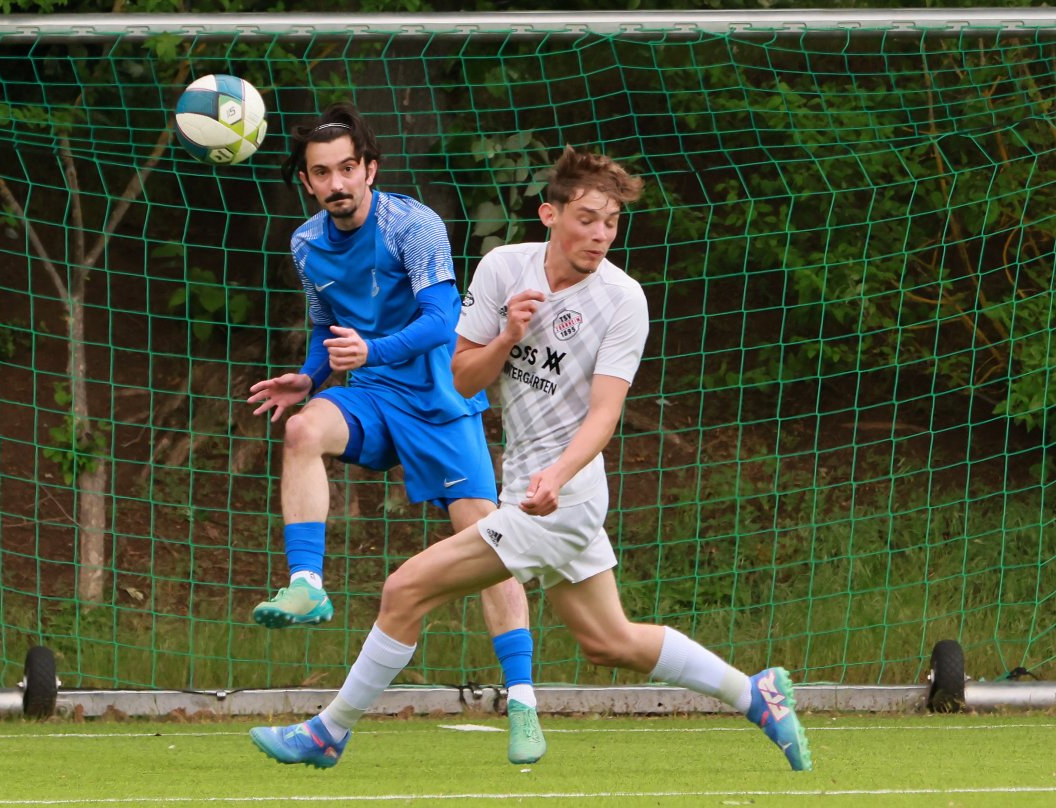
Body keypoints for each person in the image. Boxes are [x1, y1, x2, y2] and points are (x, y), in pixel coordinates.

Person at [248, 145, 813, 772]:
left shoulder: (624, 300)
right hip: (527, 483)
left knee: (404, 589)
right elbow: (463, 379)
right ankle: (754, 693)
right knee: (609, 640)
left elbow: (604, 415)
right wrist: (509, 335)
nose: (600, 234)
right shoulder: (502, 268)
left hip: (565, 495)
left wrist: (559, 474)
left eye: (612, 221)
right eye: (588, 217)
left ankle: (330, 731)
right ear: (549, 213)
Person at [246, 102, 545, 765]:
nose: (337, 184)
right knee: (301, 430)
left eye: (348, 168)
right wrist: (308, 374)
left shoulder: (413, 223)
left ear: (369, 169)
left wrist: (369, 354)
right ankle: (307, 586)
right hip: (373, 398)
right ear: (307, 182)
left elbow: (442, 320)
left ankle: (523, 701)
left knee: (489, 546)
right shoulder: (306, 244)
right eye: (322, 173)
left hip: (440, 404)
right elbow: (329, 327)